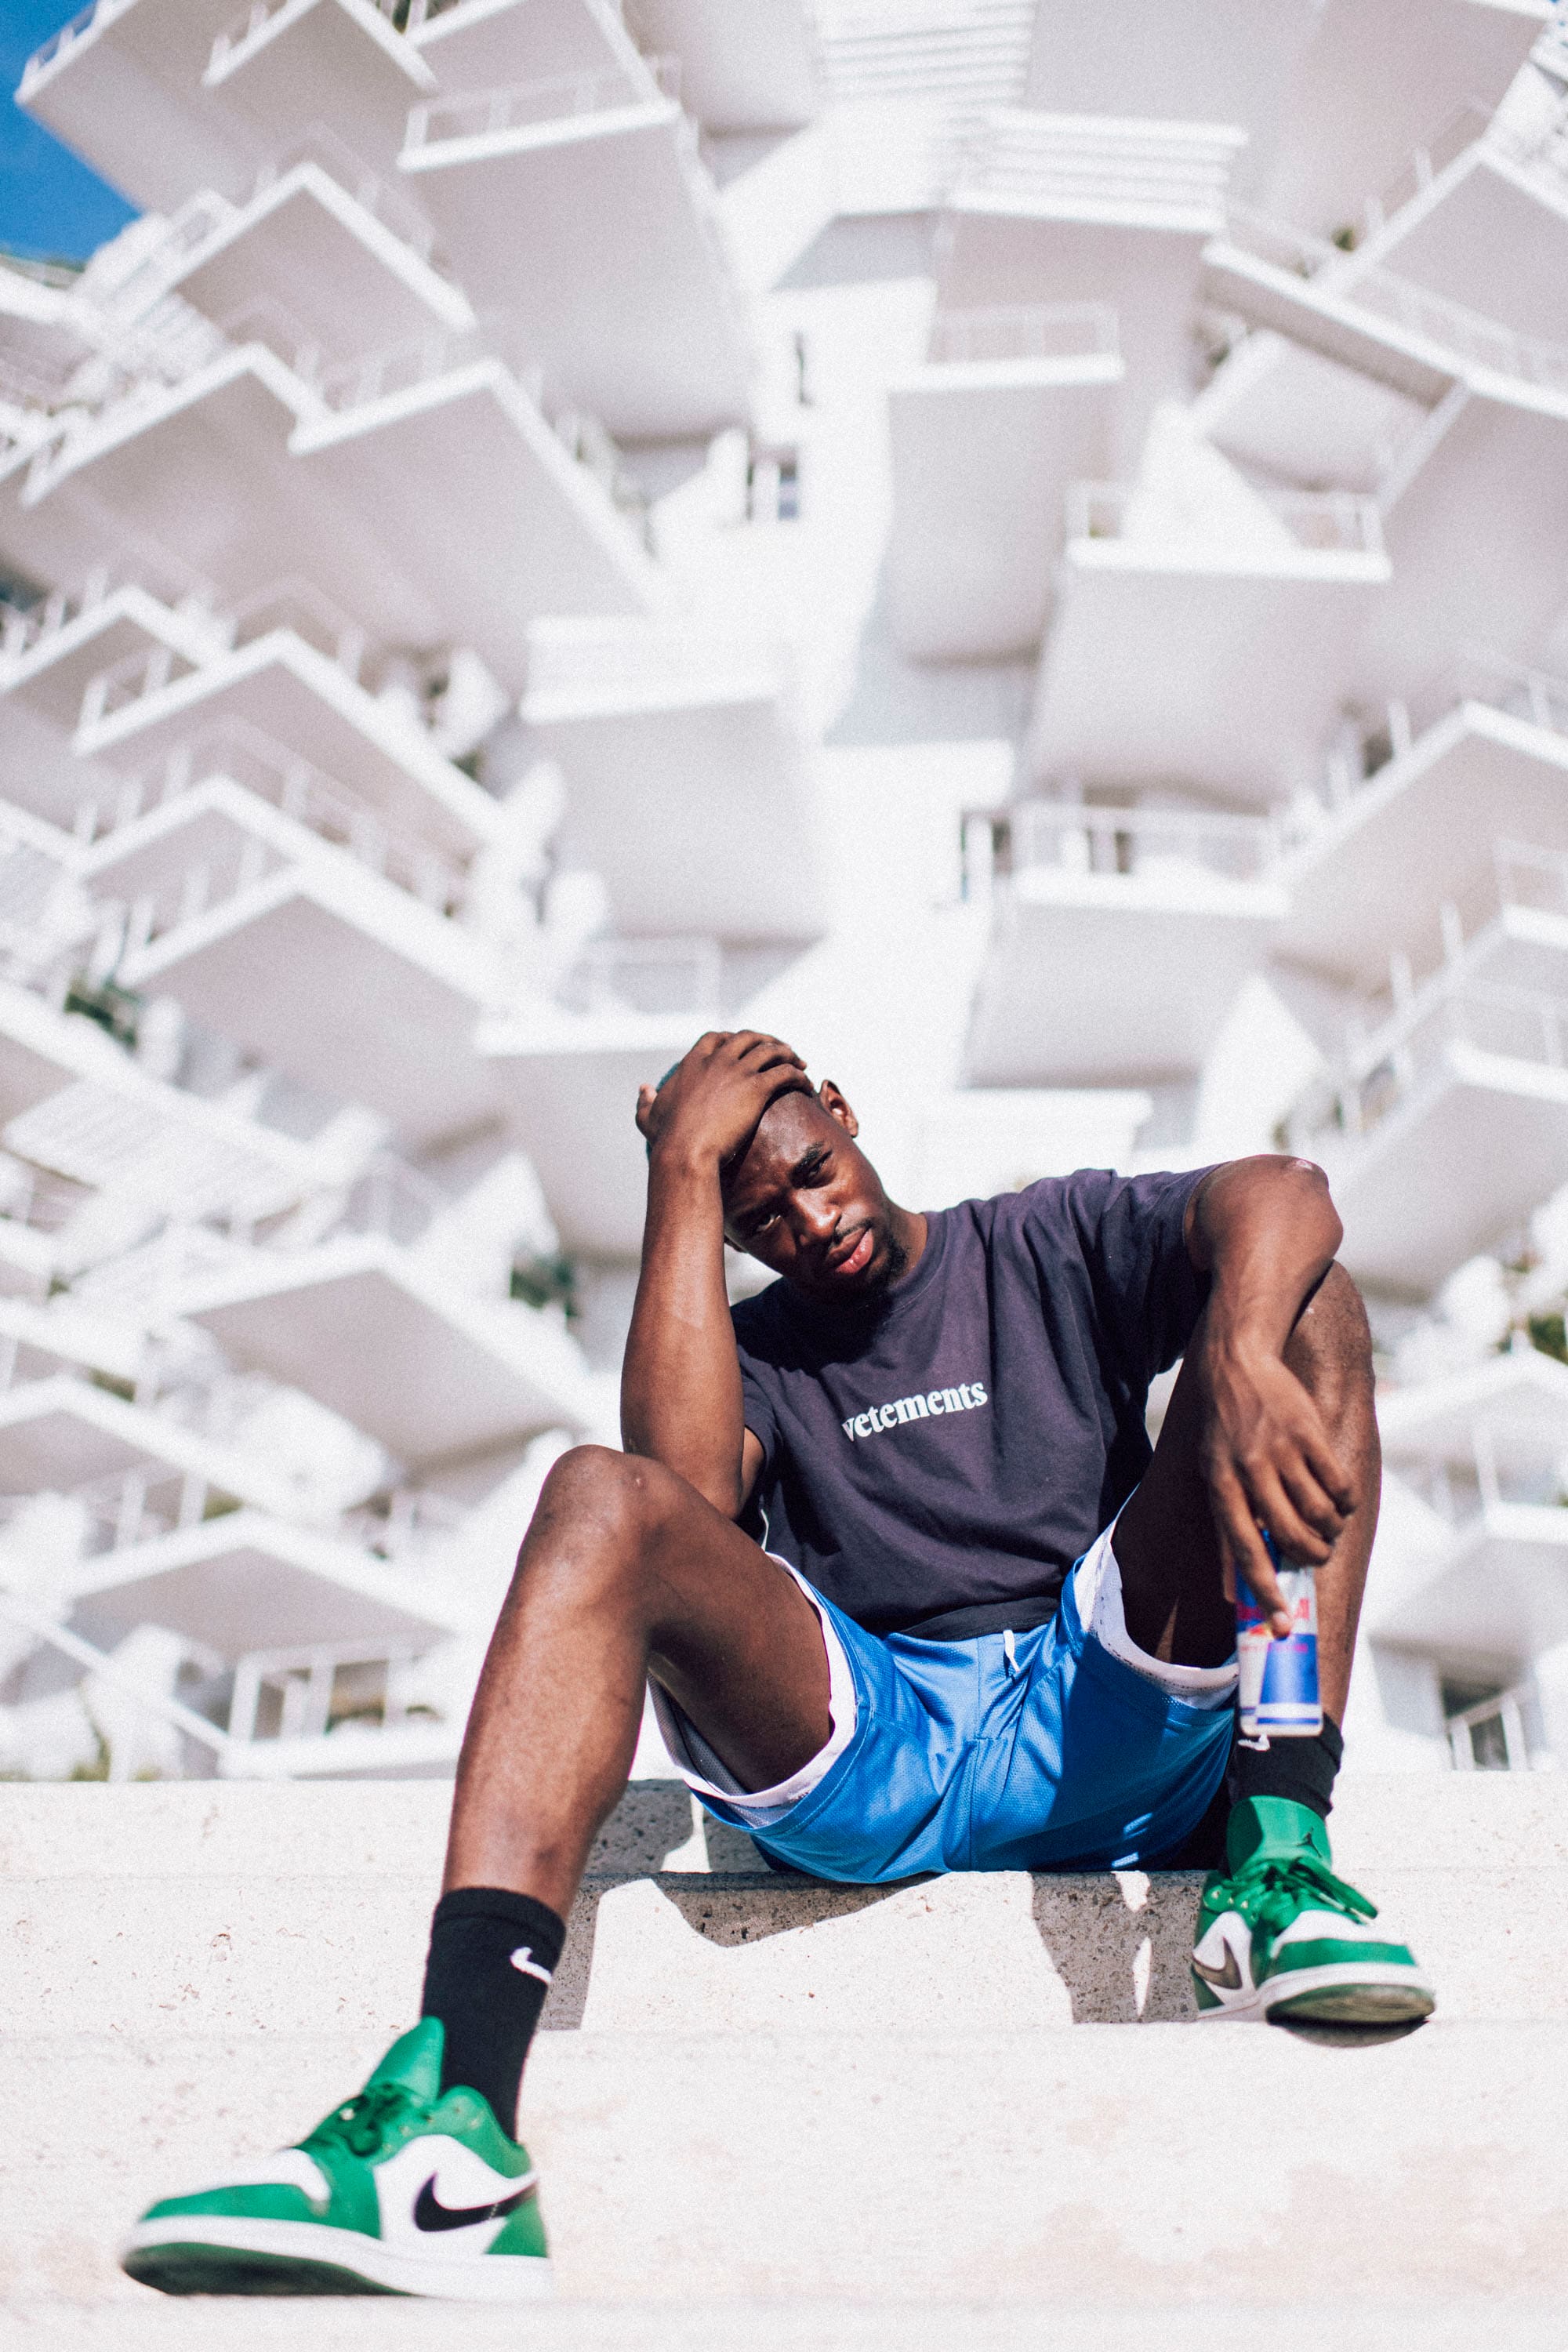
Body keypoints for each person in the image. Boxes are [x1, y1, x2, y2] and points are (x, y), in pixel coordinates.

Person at [122, 1029, 1433, 2301]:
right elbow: (681, 1495)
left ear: (845, 1115)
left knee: (1301, 1297)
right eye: (760, 1218)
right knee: (599, 1495)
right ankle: (451, 2133)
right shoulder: (742, 1357)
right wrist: (677, 1179)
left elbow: (1288, 1190)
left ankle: (1279, 1860)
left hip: (1099, 1699)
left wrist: (1236, 1353)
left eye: (814, 1172)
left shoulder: (1038, 1239)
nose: (810, 1223)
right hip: (876, 1745)